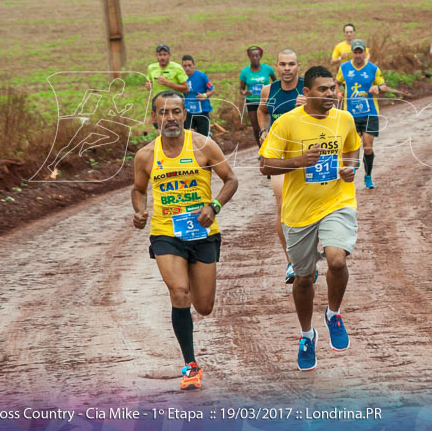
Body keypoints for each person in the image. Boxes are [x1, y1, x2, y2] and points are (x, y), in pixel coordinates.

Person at [131, 91, 239, 390]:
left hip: (203, 234)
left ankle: (191, 325)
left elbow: (231, 180)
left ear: (184, 114)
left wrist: (214, 206)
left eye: (176, 111)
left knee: (203, 306)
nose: (170, 118)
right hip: (167, 233)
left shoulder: (204, 145)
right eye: (163, 113)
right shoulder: (146, 155)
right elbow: (138, 189)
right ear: (154, 118)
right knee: (180, 293)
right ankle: (190, 365)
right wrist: (139, 211)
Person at [259, 66, 362, 369]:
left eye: (332, 89)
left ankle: (333, 314)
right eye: (323, 89)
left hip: (337, 201)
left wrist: (349, 168)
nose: (330, 94)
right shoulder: (288, 123)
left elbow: (352, 149)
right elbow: (265, 165)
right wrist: (298, 162)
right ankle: (307, 334)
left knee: (336, 260)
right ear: (306, 93)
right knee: (303, 279)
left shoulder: (344, 119)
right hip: (299, 212)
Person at [257, 50, 307, 283]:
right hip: (281, 154)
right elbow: (262, 110)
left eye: (291, 64)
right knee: (282, 204)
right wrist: (263, 130)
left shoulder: (309, 88)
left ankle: (309, 255)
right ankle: (291, 262)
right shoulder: (269, 90)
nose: (287, 68)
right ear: (276, 67)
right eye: (283, 64)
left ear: (299, 66)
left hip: (308, 151)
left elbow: (333, 108)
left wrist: (309, 106)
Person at [336, 39, 399, 189]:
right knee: (352, 146)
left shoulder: (373, 69)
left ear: (365, 52)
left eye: (360, 52)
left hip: (370, 112)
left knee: (368, 146)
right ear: (352, 53)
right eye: (355, 52)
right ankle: (349, 174)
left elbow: (383, 85)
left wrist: (378, 88)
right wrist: (339, 92)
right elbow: (337, 82)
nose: (358, 55)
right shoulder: (344, 67)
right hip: (350, 114)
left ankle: (368, 176)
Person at [239, 46, 276, 146]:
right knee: (256, 127)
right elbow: (241, 89)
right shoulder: (245, 72)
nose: (255, 58)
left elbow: (276, 82)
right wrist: (244, 92)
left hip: (265, 100)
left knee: (266, 126)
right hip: (252, 101)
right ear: (249, 57)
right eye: (252, 56)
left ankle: (270, 146)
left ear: (260, 57)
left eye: (257, 56)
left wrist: (271, 92)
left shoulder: (268, 69)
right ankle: (260, 148)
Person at [182, 55, 214, 137]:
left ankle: (208, 136)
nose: (187, 68)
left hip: (202, 111)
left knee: (202, 138)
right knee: (189, 135)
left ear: (194, 65)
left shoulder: (201, 76)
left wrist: (205, 95)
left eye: (189, 65)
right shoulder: (181, 77)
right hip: (188, 112)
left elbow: (212, 89)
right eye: (185, 66)